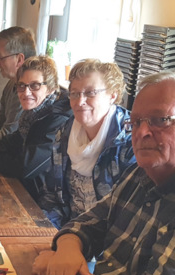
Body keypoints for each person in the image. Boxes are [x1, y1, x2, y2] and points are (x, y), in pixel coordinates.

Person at [32, 71, 175, 275]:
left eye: (161, 120)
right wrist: (67, 247)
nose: (142, 132)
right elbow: (91, 221)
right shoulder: (144, 170)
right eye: (136, 122)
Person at [0, 56, 72, 198]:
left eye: (35, 85)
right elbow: (10, 143)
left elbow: (26, 167)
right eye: (21, 85)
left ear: (51, 88)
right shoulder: (33, 114)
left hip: (45, 202)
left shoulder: (56, 120)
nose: (26, 92)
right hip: (25, 188)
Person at [40, 59, 135, 229]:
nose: (80, 101)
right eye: (75, 93)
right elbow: (51, 196)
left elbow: (128, 217)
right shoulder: (65, 132)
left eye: (90, 93)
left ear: (112, 95)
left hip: (108, 243)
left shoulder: (130, 140)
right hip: (67, 232)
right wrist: (49, 233)